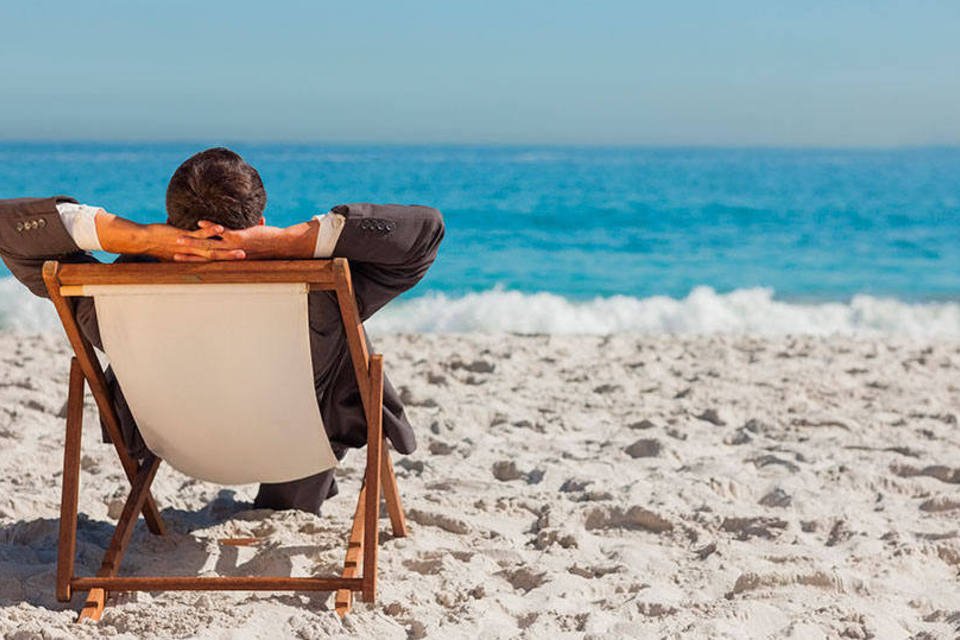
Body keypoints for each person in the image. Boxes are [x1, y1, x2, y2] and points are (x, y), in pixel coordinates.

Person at [0, 147, 444, 514]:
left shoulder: (109, 293)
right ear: (260, 224)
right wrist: (292, 241)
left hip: (172, 442)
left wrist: (135, 239)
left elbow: (9, 228)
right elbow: (424, 232)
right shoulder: (319, 291)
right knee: (340, 353)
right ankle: (292, 495)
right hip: (296, 441)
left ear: (169, 222)